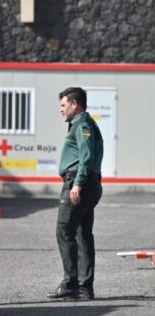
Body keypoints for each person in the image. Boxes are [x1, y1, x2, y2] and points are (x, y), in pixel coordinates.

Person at [47, 87, 103, 301]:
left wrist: (77, 184)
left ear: (74, 104)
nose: (61, 110)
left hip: (79, 183)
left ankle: (70, 284)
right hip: (90, 183)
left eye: (63, 105)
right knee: (82, 234)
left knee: (64, 230)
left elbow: (86, 157)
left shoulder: (83, 125)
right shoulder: (83, 124)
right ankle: (84, 288)